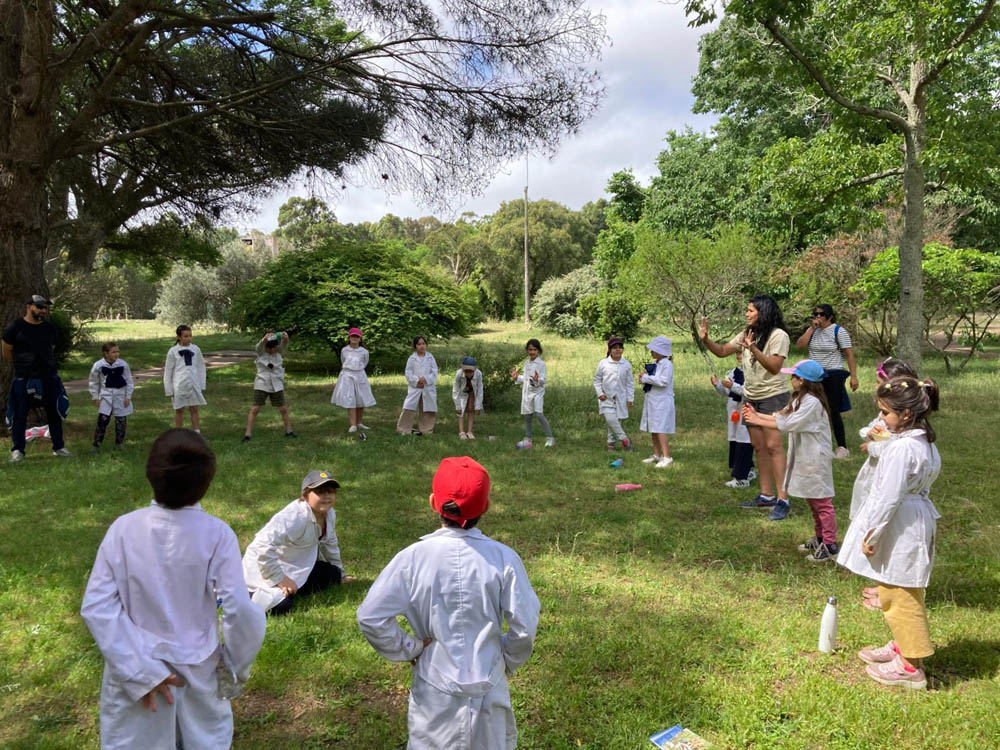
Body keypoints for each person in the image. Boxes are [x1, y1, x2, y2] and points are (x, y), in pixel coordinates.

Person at [80, 429, 266, 748]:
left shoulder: (123, 530)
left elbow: (98, 606)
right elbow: (239, 609)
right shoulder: (216, 535)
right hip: (199, 666)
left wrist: (137, 669)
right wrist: (234, 666)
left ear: (150, 474)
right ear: (207, 482)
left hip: (135, 661)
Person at [357, 456, 540, 749]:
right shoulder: (503, 558)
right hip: (489, 680)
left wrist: (410, 648)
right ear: (486, 506)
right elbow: (525, 625)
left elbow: (371, 616)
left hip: (434, 687)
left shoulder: (413, 558)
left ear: (433, 502)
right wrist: (507, 659)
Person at [838, 376, 942, 690]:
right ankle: (902, 644)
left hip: (901, 523)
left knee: (902, 594)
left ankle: (911, 667)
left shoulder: (902, 449)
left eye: (885, 413)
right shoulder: (922, 442)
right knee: (894, 587)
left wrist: (872, 534)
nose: (881, 419)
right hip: (911, 519)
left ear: (906, 414)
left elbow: (888, 496)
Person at [700, 295, 790, 513]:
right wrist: (706, 339)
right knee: (759, 447)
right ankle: (766, 495)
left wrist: (753, 348)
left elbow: (775, 367)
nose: (746, 314)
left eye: (751, 310)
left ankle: (783, 500)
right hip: (751, 397)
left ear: (763, 312)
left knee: (773, 447)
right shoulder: (746, 333)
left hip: (773, 396)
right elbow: (722, 351)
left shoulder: (779, 336)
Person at [744, 361, 837, 558]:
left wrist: (756, 420)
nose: (790, 379)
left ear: (802, 380)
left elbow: (788, 424)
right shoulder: (800, 399)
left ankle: (830, 544)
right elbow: (781, 416)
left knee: (822, 501)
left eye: (793, 376)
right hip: (806, 457)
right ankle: (820, 537)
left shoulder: (812, 403)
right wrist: (756, 414)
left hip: (816, 459)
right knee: (813, 499)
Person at [853, 358, 921, 611]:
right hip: (880, 479)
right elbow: (873, 430)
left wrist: (872, 444)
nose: (875, 386)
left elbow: (887, 447)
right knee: (878, 533)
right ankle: (884, 585)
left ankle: (890, 592)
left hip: (892, 489)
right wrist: (872, 436)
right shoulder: (894, 417)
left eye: (879, 381)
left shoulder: (905, 437)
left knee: (888, 537)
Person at [243, 470, 352, 615]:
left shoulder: (329, 514)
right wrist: (280, 578)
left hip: (297, 564)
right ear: (305, 495)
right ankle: (247, 595)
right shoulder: (294, 516)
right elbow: (261, 546)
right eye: (320, 492)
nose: (326, 496)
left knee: (332, 574)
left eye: (330, 491)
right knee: (282, 606)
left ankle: (293, 588)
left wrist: (341, 574)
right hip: (266, 567)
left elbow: (330, 544)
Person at [2, 294, 70, 461]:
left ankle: (59, 446)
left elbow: (51, 348)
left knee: (54, 413)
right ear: (28, 307)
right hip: (23, 378)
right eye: (39, 307)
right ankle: (18, 450)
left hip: (48, 377)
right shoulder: (14, 327)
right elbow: (6, 351)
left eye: (45, 307)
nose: (43, 310)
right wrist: (23, 364)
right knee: (19, 415)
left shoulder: (50, 328)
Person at [795, 304, 859, 458]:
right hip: (814, 374)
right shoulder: (812, 331)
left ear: (829, 316)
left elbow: (849, 354)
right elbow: (799, 345)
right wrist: (811, 329)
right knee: (813, 408)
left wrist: (854, 376)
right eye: (815, 314)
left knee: (832, 410)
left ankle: (842, 447)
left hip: (833, 373)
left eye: (821, 314)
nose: (818, 317)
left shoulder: (839, 331)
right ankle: (818, 444)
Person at [711, 353, 756, 488]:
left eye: (741, 352)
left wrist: (732, 385)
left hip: (746, 411)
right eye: (737, 352)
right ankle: (748, 470)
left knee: (744, 441)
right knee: (735, 441)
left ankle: (741, 478)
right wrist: (718, 385)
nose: (738, 355)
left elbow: (749, 391)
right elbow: (727, 391)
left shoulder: (754, 373)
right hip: (734, 413)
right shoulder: (734, 372)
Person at [244, 331, 296, 442]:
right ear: (266, 347)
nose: (272, 350)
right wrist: (265, 338)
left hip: (277, 383)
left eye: (274, 348)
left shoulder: (279, 351)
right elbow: (260, 345)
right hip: (262, 383)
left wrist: (285, 337)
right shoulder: (261, 351)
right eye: (270, 349)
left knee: (283, 408)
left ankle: (289, 431)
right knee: (255, 408)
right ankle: (248, 434)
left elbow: (285, 342)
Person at [88, 342, 134, 452]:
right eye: (113, 352)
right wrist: (95, 397)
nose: (116, 354)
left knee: (121, 421)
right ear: (106, 353)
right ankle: (96, 444)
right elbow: (93, 382)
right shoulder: (98, 365)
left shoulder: (123, 365)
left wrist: (128, 397)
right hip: (106, 397)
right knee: (102, 420)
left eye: (118, 351)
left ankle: (119, 443)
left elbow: (129, 381)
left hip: (120, 396)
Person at [331, 327, 376, 436]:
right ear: (349, 338)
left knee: (360, 398)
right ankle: (353, 424)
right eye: (352, 336)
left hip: (360, 375)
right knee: (350, 398)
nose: (354, 338)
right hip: (347, 376)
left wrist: (357, 370)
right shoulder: (344, 350)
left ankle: (359, 422)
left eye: (357, 337)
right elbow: (343, 361)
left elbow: (365, 363)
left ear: (360, 339)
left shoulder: (364, 352)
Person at [593, 337, 635, 452]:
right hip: (606, 399)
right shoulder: (603, 363)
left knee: (616, 422)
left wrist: (630, 399)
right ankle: (625, 440)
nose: (617, 350)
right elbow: (597, 380)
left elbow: (630, 383)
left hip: (621, 399)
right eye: (615, 348)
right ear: (610, 350)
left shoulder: (626, 364)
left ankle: (610, 444)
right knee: (611, 420)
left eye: (620, 348)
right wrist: (600, 393)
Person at [638, 336, 674, 468]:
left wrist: (646, 378)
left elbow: (663, 381)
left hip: (662, 401)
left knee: (660, 428)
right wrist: (643, 378)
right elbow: (653, 379)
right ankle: (656, 454)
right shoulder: (656, 364)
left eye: (654, 349)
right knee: (653, 428)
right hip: (653, 400)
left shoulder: (667, 365)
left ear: (661, 351)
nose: (651, 352)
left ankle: (667, 457)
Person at [511, 338, 554, 449]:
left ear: (538, 350)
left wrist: (537, 380)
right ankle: (528, 438)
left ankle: (550, 438)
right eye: (530, 349)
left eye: (534, 350)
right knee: (528, 415)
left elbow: (543, 380)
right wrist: (517, 377)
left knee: (539, 414)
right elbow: (525, 379)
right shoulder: (527, 363)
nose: (532, 352)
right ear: (527, 350)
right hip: (527, 393)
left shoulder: (541, 364)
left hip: (537, 392)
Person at [164, 325, 206, 431]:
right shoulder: (173, 351)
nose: (188, 338)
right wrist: (169, 389)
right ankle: (178, 434)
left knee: (194, 408)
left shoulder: (196, 349)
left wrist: (201, 384)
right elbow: (168, 371)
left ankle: (197, 433)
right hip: (179, 385)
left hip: (193, 383)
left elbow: (201, 367)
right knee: (179, 409)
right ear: (179, 337)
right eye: (186, 336)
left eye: (190, 336)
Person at [398, 335, 439, 436]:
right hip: (415, 387)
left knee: (428, 407)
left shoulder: (430, 358)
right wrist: (417, 381)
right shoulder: (412, 358)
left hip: (427, 386)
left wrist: (425, 379)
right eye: (419, 344)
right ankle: (403, 428)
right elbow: (408, 373)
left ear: (426, 345)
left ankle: (426, 429)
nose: (422, 346)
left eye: (423, 344)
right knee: (409, 406)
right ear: (415, 346)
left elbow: (434, 371)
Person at [452, 356, 483, 439]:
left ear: (474, 370)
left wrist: (478, 406)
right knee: (460, 410)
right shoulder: (459, 373)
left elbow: (480, 390)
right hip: (462, 393)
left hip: (472, 392)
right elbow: (455, 389)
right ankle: (461, 432)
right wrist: (457, 406)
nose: (468, 374)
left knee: (471, 409)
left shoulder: (479, 374)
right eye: (466, 372)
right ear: (463, 370)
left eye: (470, 372)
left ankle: (469, 431)